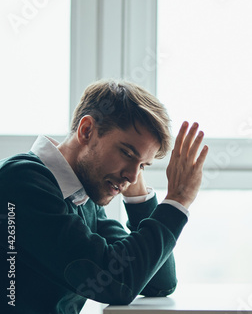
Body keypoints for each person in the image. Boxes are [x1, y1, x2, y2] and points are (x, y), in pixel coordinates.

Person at [0, 80, 208, 314]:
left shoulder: (80, 195)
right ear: (86, 130)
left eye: (142, 165)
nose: (132, 175)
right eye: (127, 153)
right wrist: (177, 201)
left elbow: (159, 283)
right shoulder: (22, 182)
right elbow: (115, 283)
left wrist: (139, 199)